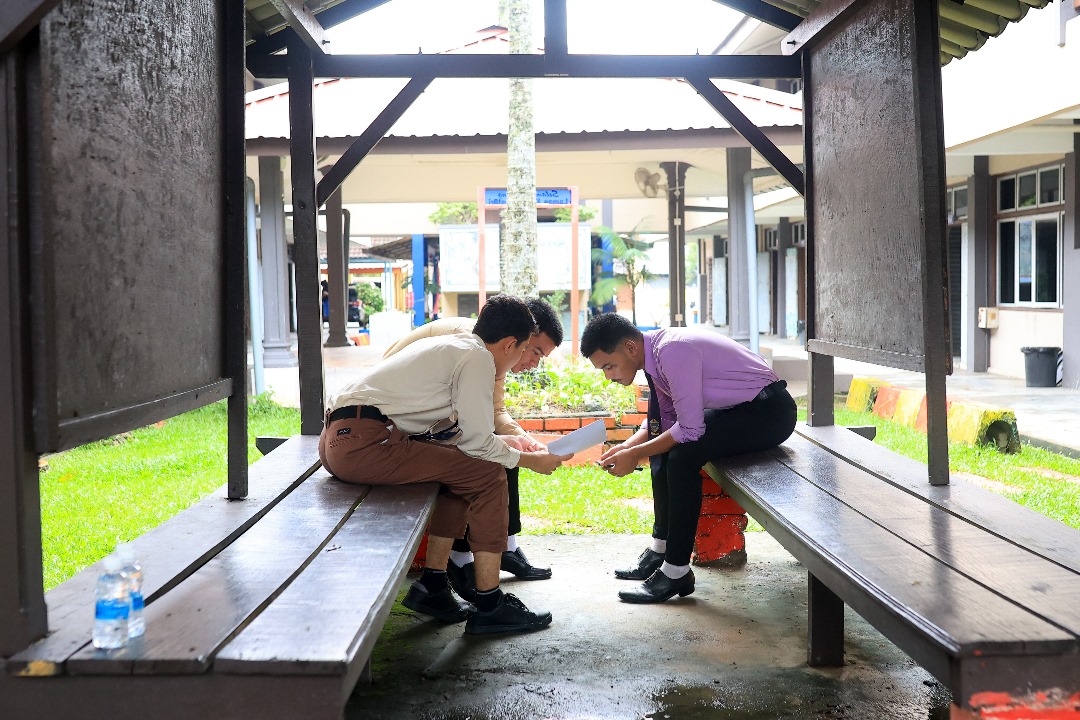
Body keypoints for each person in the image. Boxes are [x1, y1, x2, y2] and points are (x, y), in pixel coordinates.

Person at [320, 295, 570, 634]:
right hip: (365, 443)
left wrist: (506, 443)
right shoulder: (479, 358)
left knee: (465, 469)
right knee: (488, 475)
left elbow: (463, 435)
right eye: (527, 350)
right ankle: (489, 602)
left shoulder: (459, 345)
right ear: (510, 344)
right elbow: (478, 445)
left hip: (344, 438)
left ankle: (434, 585)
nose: (522, 363)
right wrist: (530, 460)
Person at [581, 313, 796, 604]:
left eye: (609, 365)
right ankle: (662, 548)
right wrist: (627, 447)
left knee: (682, 457)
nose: (608, 376)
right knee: (665, 442)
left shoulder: (672, 350)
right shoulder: (654, 355)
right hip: (742, 409)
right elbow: (666, 423)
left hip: (769, 412)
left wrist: (634, 455)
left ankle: (676, 571)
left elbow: (690, 430)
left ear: (630, 348)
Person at [382, 298, 564, 599]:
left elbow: (495, 411)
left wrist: (525, 441)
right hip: (392, 425)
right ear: (518, 339)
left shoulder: (491, 348)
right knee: (486, 464)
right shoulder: (478, 348)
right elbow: (478, 435)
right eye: (535, 352)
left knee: (499, 453)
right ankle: (464, 565)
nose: (533, 363)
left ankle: (488, 555)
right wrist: (526, 457)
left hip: (411, 425)